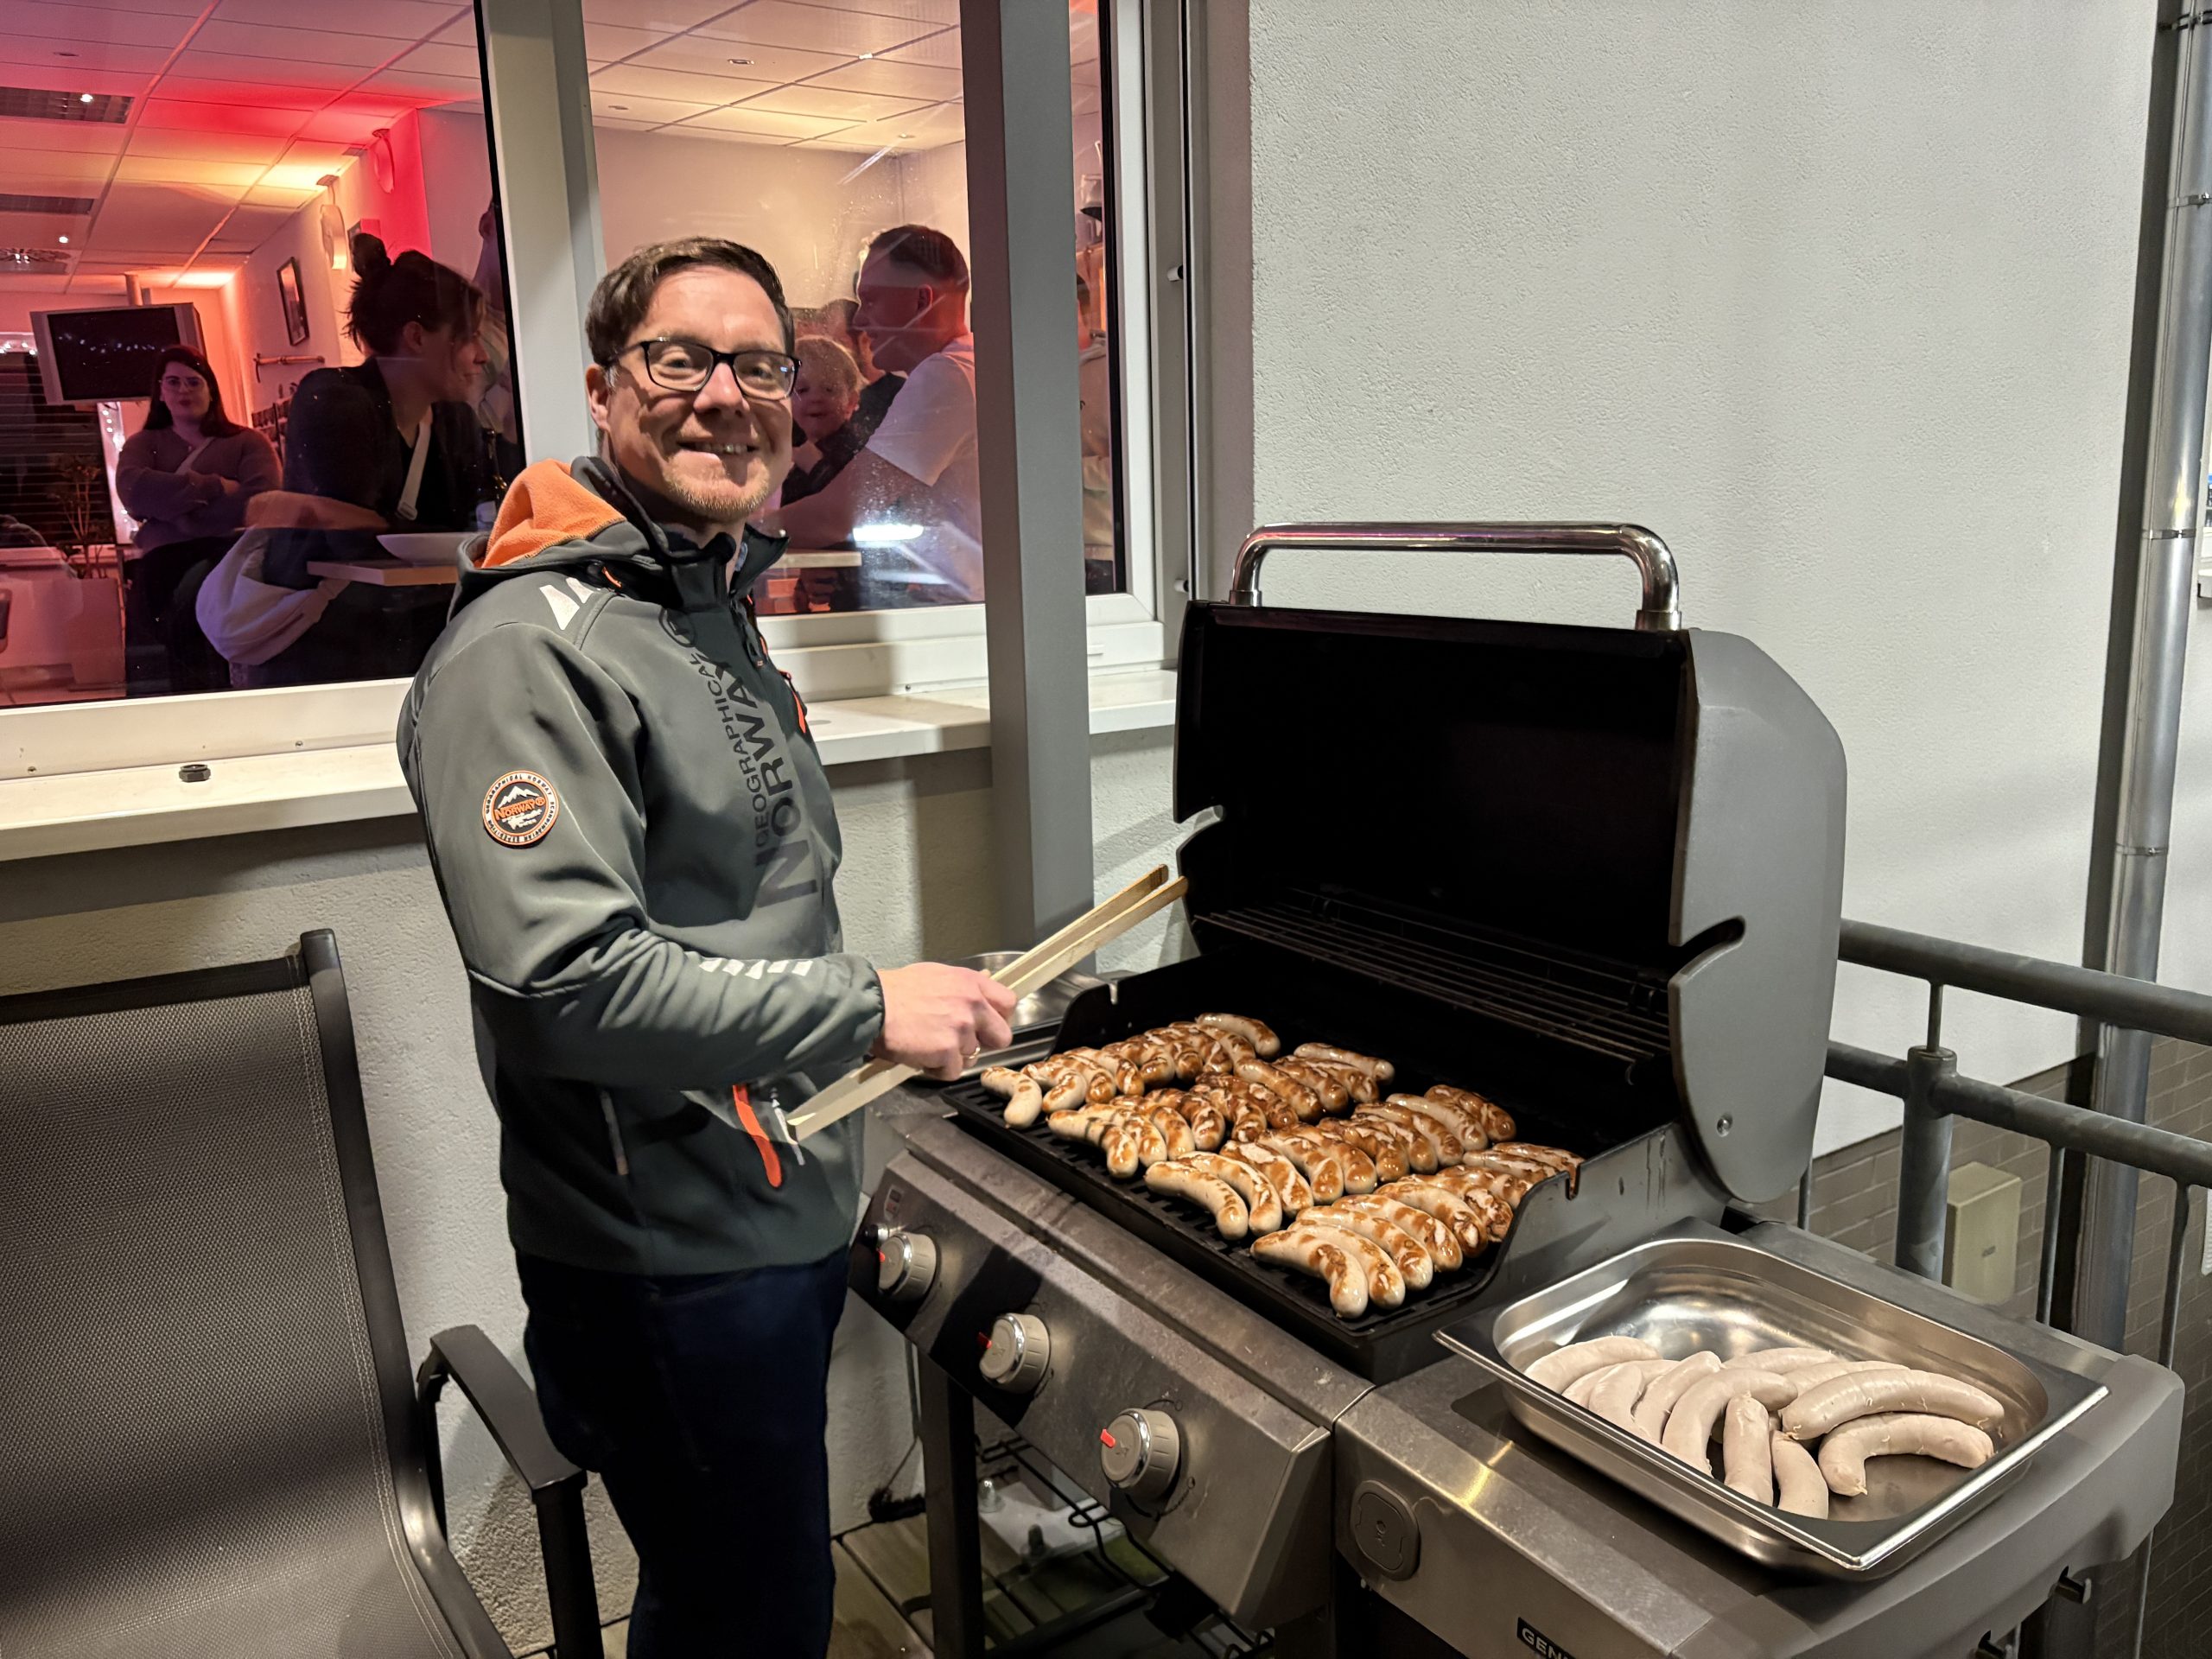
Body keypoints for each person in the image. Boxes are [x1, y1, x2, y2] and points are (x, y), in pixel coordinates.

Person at [395, 236, 1016, 1659]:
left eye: (761, 365)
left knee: (745, 1600)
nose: (725, 396)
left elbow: (744, 901)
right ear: (604, 391)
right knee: (750, 1621)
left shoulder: (697, 599)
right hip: (666, 1260)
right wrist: (867, 1007)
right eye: (680, 359)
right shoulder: (529, 649)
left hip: (772, 1202)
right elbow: (562, 986)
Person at [247, 232, 491, 685]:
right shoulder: (334, 400)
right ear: (416, 337)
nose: (482, 356)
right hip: (324, 648)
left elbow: (474, 526)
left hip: (417, 638)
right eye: (468, 337)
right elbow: (353, 539)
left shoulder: (455, 419)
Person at [768, 225, 981, 605]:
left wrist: (726, 534)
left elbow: (837, 514)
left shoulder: (945, 375)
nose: (861, 321)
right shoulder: (967, 365)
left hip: (961, 606)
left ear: (922, 301)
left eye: (871, 301)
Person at [116, 346, 278, 691]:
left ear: (210, 390)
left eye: (193, 382)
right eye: (173, 382)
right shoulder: (143, 444)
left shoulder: (249, 442)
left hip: (232, 562)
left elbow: (262, 499)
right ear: (161, 392)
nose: (183, 390)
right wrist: (215, 486)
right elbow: (134, 491)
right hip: (161, 571)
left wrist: (175, 515)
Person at [779, 334, 866, 506]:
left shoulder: (853, 450)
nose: (816, 398)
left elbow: (854, 504)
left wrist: (814, 464)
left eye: (829, 390)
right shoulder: (784, 447)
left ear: (851, 402)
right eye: (802, 390)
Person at [804, 295, 900, 447]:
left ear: (865, 341)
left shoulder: (899, 397)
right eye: (821, 348)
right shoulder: (817, 399)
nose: (826, 357)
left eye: (837, 344)